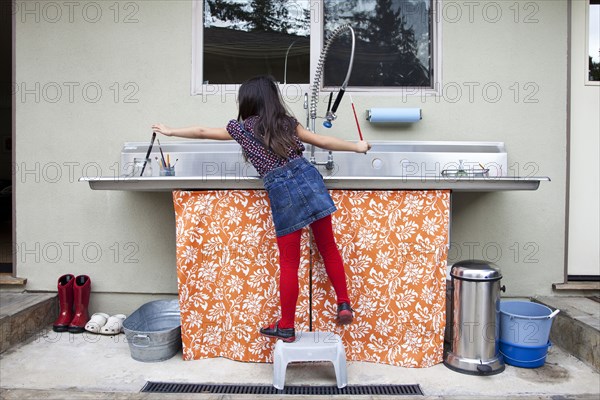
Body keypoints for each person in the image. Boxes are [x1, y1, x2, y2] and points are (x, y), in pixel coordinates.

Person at [152, 75, 371, 343]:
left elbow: (201, 132)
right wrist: (356, 146)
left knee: (290, 262)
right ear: (272, 99)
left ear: (248, 101)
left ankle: (287, 327)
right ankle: (344, 302)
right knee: (328, 247)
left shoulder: (241, 130)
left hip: (281, 190)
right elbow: (321, 140)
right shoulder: (287, 123)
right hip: (309, 178)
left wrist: (172, 131)